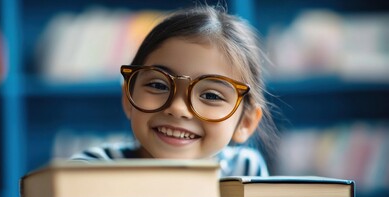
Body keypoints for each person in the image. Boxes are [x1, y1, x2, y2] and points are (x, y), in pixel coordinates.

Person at [72, 5, 278, 177]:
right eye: (158, 85)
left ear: (246, 123)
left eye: (211, 96)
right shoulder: (90, 171)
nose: (178, 108)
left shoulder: (245, 170)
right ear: (128, 97)